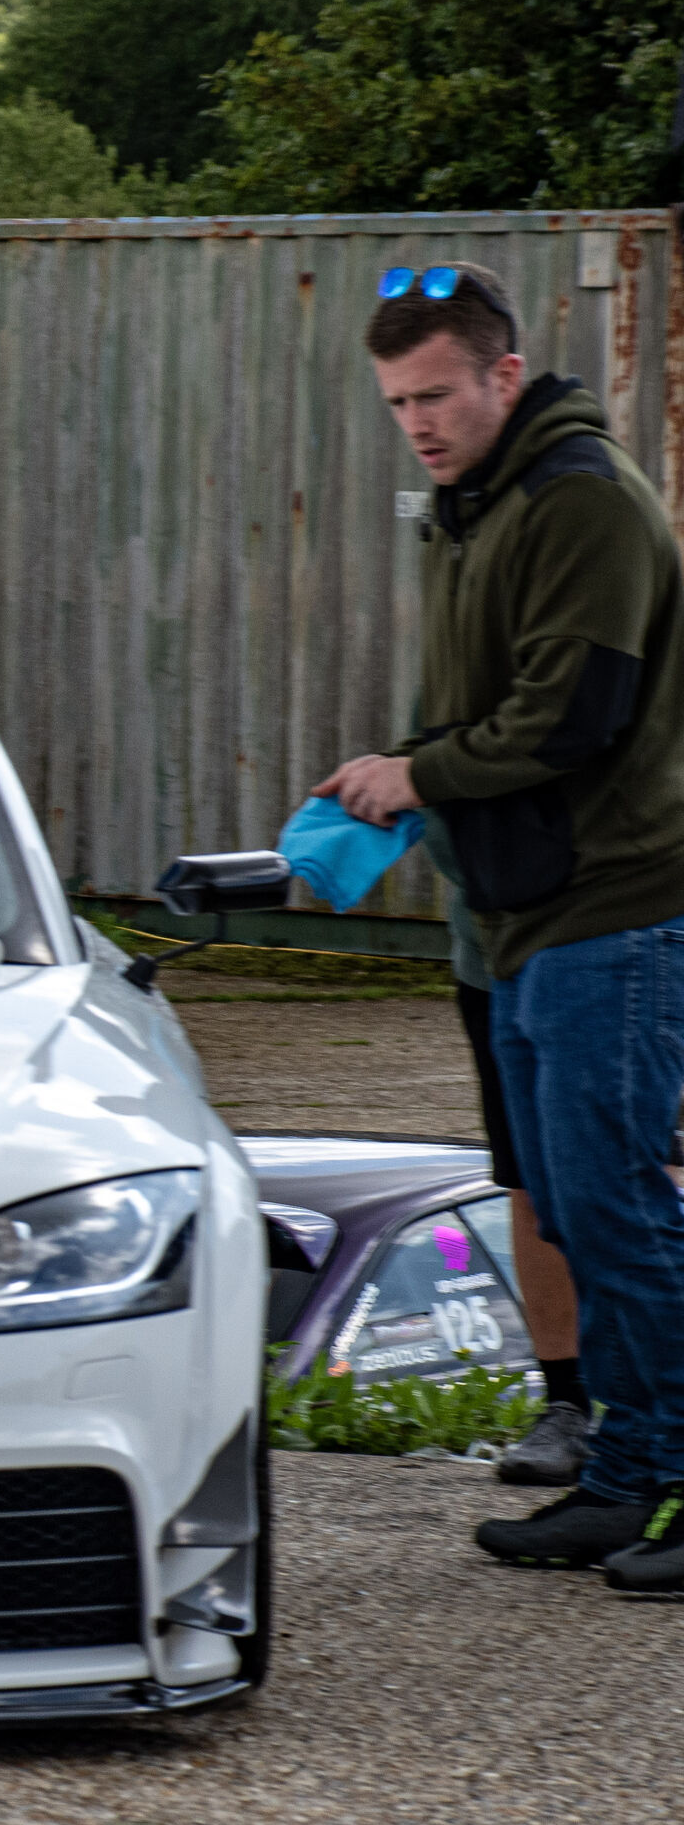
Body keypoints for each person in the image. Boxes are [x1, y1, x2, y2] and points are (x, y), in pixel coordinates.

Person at [310, 261, 684, 1593]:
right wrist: (397, 777)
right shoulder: (477, 505)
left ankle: (674, 1473)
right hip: (525, 912)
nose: (416, 424)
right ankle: (627, 1477)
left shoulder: (580, 502)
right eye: (397, 402)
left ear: (505, 374)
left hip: (613, 910)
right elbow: (485, 705)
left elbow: (570, 715)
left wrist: (420, 775)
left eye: (436, 395)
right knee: (572, 1205)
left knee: (619, 1204)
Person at [430, 818, 594, 1484]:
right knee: (528, 1183)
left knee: (642, 1177)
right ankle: (567, 1405)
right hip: (493, 956)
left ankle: (656, 1413)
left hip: (621, 948)